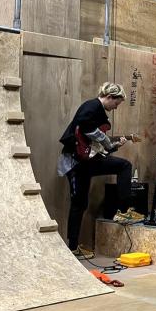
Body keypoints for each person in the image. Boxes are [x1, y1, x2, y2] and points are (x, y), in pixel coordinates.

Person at [57, 82, 132, 257]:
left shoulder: (98, 112)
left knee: (80, 203)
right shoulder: (92, 106)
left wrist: (114, 145)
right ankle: (123, 212)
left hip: (86, 161)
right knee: (79, 203)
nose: (115, 108)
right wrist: (107, 140)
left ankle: (74, 247)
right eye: (116, 103)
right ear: (110, 97)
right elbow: (85, 127)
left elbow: (96, 146)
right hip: (75, 162)